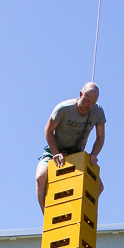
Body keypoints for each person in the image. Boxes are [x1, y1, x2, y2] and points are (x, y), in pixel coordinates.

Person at [36, 82, 106, 212]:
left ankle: (80, 212)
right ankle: (46, 214)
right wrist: (56, 153)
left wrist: (94, 154)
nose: (89, 105)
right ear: (80, 94)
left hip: (77, 155)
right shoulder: (64, 109)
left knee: (98, 187)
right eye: (87, 100)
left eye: (93, 102)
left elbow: (100, 138)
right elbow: (48, 130)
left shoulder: (98, 112)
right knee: (41, 177)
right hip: (54, 152)